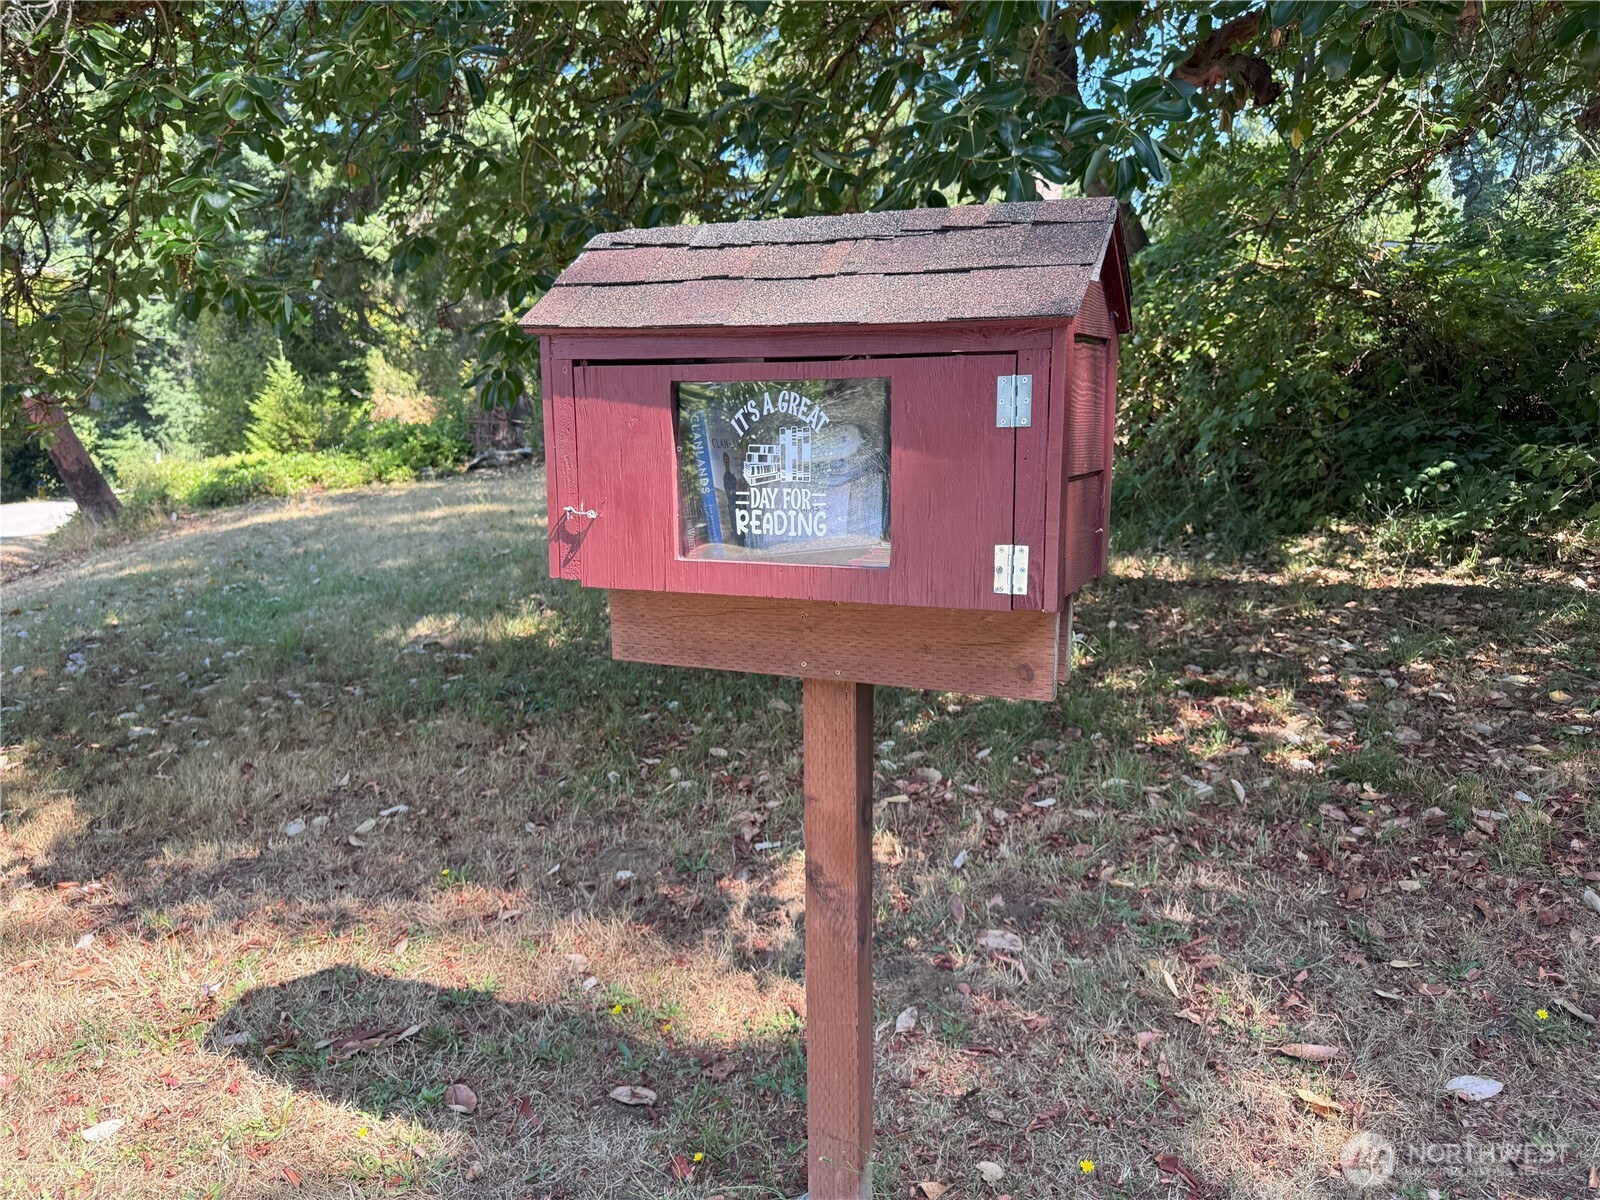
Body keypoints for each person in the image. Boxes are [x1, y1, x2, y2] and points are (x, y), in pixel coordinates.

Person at [721, 451, 746, 547]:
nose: (727, 461)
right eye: (725, 460)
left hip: (740, 505)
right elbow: (729, 494)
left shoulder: (733, 475)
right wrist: (737, 490)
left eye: (727, 459)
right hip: (733, 507)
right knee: (736, 528)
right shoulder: (726, 476)